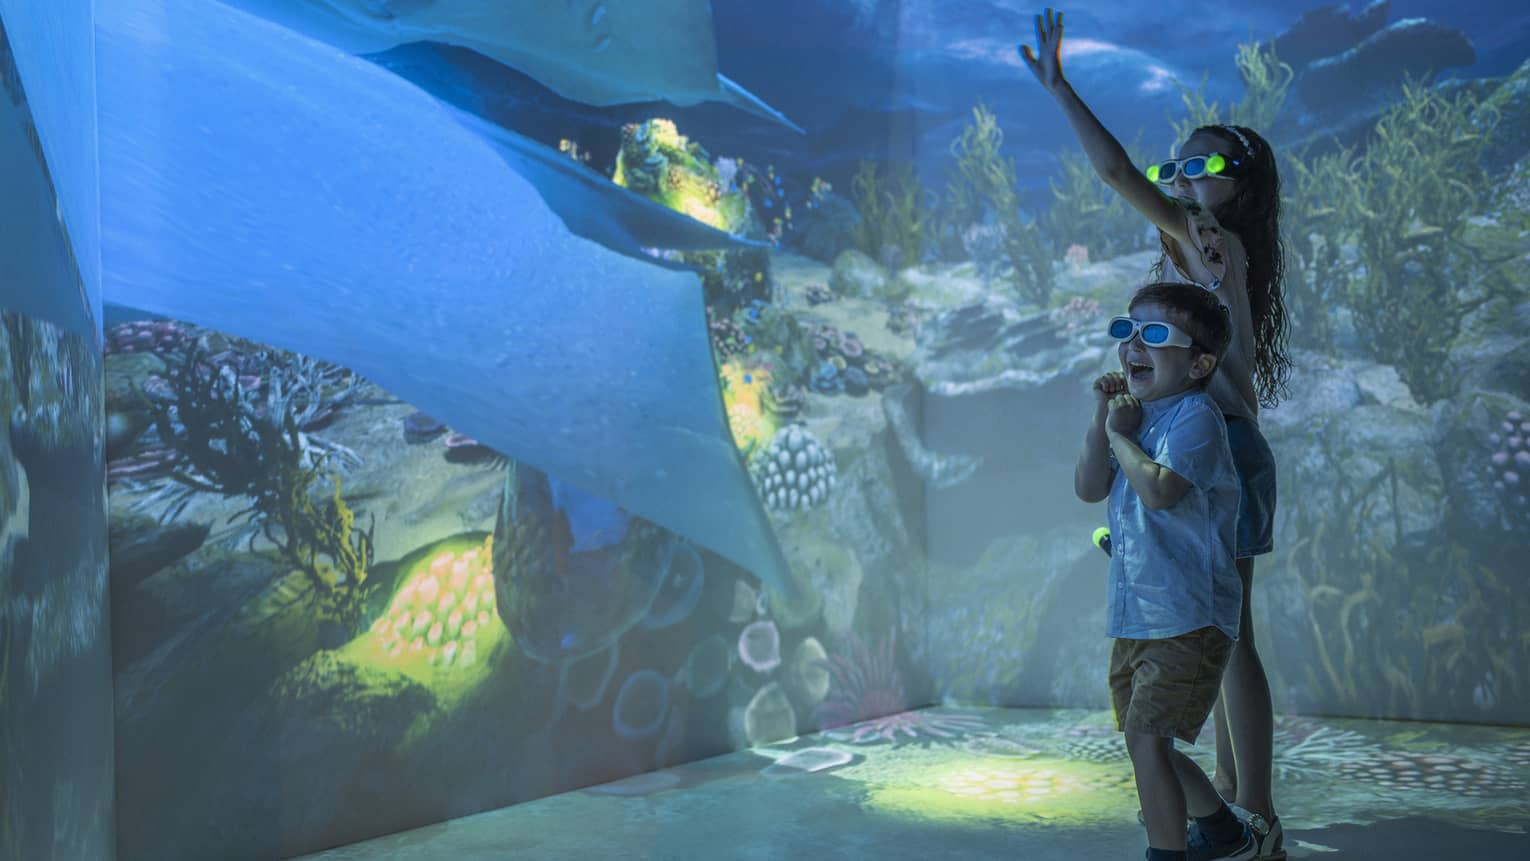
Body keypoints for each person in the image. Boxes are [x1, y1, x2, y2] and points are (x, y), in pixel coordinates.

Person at [1021, 9, 1290, 859]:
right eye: (1176, 166)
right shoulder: (1204, 249)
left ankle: (1252, 811)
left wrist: (1065, 92)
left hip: (1219, 446)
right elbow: (1122, 174)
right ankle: (1232, 813)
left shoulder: (1210, 241)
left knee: (1228, 632)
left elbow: (1112, 171)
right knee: (1214, 630)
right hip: (1198, 437)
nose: (1180, 178)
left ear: (1238, 186)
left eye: (1201, 166)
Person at [1076, 282, 1249, 861]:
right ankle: (1227, 836)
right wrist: (1104, 418)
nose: (1133, 346)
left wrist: (1120, 435)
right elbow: (1088, 487)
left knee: (1148, 741)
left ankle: (1166, 855)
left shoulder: (1196, 416)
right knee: (1145, 742)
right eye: (1126, 330)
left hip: (1189, 615)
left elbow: (1158, 490)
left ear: (1199, 362)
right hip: (1137, 612)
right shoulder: (1131, 414)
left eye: (1153, 335)